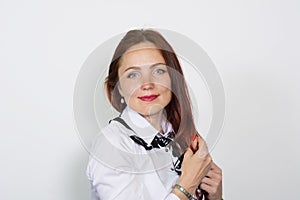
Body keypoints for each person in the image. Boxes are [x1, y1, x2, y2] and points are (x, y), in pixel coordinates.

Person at [86, 29, 223, 200]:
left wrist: (216, 198)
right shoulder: (111, 146)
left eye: (158, 71)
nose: (147, 84)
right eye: (133, 74)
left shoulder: (182, 136)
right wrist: (187, 185)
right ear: (118, 88)